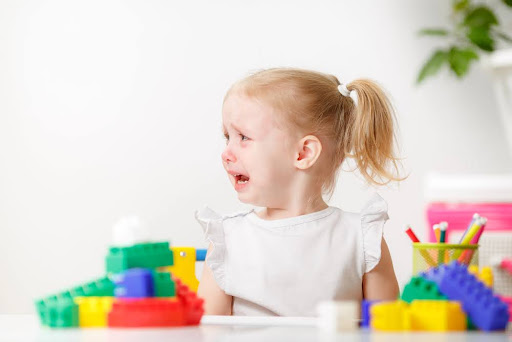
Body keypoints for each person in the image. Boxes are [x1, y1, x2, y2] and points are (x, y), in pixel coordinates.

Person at [196, 68, 403, 316]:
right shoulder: (227, 240)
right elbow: (207, 333)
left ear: (303, 153)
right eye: (227, 137)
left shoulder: (362, 239)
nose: (226, 153)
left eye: (243, 137)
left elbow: (389, 330)